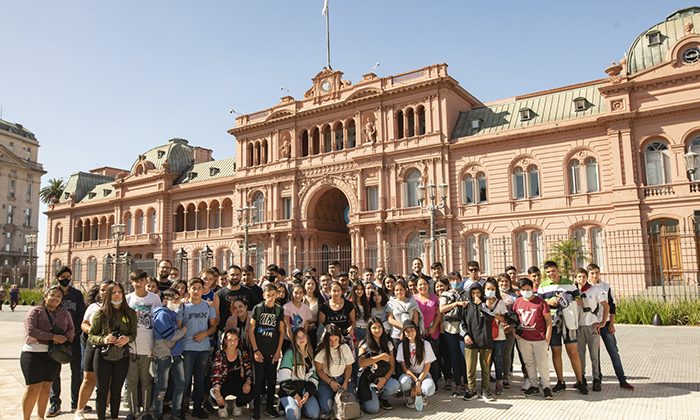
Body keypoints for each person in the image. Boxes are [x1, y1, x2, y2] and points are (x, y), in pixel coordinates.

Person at [21, 285, 75, 420]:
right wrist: (53, 337)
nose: (55, 298)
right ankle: (26, 418)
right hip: (34, 353)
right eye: (52, 295)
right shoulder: (35, 311)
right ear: (45, 297)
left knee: (46, 387)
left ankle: (40, 417)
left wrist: (65, 339)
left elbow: (71, 329)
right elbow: (31, 331)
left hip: (54, 355)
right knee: (33, 388)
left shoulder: (64, 312)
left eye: (59, 296)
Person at [88, 282, 137, 420]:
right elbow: (91, 336)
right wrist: (104, 340)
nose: (117, 295)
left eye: (119, 292)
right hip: (103, 356)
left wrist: (127, 339)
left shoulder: (130, 313)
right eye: (114, 292)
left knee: (116, 390)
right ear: (109, 295)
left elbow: (134, 334)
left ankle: (115, 417)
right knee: (102, 390)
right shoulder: (101, 313)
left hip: (122, 356)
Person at [537, 260, 587, 394]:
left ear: (558, 270)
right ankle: (560, 381)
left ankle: (580, 381)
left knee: (573, 352)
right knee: (556, 352)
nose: (550, 274)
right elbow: (539, 304)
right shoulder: (543, 286)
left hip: (568, 322)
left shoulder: (569, 284)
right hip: (553, 323)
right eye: (548, 272)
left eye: (553, 271)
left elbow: (579, 299)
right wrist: (549, 302)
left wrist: (567, 300)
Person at [587, 263, 634, 390]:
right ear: (588, 274)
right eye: (592, 273)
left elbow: (612, 306)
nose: (595, 275)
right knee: (595, 354)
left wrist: (611, 323)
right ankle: (597, 379)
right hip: (592, 325)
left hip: (606, 324)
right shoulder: (585, 287)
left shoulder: (606, 287)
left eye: (597, 272)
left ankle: (622, 379)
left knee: (613, 351)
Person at [48, 266, 86, 417]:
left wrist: (72, 334)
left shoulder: (76, 295)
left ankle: (75, 403)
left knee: (76, 371)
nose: (66, 279)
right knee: (54, 371)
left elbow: (81, 315)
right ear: (57, 278)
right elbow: (46, 313)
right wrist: (55, 335)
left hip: (74, 338)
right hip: (56, 339)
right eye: (63, 276)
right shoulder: (53, 293)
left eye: (68, 276)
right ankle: (54, 403)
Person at [125, 270, 162, 420]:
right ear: (131, 282)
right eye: (135, 281)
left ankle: (146, 411)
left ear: (146, 281)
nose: (139, 283)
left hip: (148, 346)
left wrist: (156, 345)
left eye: (141, 280)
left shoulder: (154, 298)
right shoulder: (128, 299)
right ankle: (133, 411)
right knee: (132, 380)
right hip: (131, 346)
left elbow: (159, 322)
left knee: (146, 380)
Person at [74, 281, 114, 419]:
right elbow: (84, 324)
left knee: (107, 379)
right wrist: (92, 330)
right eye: (102, 290)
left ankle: (106, 407)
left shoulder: (119, 307)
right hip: (92, 345)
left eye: (108, 290)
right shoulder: (93, 307)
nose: (105, 292)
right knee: (88, 379)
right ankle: (79, 410)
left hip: (111, 346)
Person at [180, 277, 218, 418]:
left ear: (203, 290)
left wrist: (205, 334)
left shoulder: (208, 306)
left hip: (203, 348)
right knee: (186, 380)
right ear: (188, 290)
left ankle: (197, 408)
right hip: (187, 348)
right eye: (193, 288)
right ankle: (183, 408)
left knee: (200, 380)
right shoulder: (183, 306)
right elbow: (177, 325)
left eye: (198, 288)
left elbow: (214, 326)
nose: (196, 291)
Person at [512, 278, 554, 399]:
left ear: (532, 289)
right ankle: (534, 385)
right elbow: (514, 319)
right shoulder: (517, 302)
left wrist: (547, 338)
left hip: (540, 339)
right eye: (523, 289)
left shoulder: (540, 302)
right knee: (529, 363)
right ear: (520, 291)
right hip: (524, 339)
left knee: (542, 364)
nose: (526, 291)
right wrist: (515, 333)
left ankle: (546, 387)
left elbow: (548, 321)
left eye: (528, 289)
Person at [249, 284, 285, 419]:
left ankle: (270, 407)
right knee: (258, 382)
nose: (270, 298)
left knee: (271, 381)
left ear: (277, 295)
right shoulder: (258, 309)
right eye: (268, 295)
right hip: (259, 351)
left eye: (273, 295)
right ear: (264, 295)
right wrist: (255, 350)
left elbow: (281, 332)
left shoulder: (278, 310)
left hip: (272, 351)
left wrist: (278, 351)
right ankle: (256, 410)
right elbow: (251, 331)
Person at [152, 288, 187, 419]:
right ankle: (158, 414)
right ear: (166, 301)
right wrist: (183, 331)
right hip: (164, 356)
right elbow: (169, 335)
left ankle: (175, 413)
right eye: (175, 299)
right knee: (161, 387)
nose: (178, 302)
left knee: (180, 384)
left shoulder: (171, 313)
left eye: (179, 299)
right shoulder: (162, 314)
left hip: (175, 354)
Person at [574, 268, 609, 392]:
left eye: (584, 276)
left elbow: (606, 306)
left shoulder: (595, 290)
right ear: (576, 278)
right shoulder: (573, 292)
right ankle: (581, 378)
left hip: (592, 326)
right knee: (580, 355)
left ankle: (596, 379)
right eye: (579, 277)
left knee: (594, 355)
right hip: (579, 327)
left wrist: (603, 322)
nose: (582, 279)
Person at [460, 282, 495, 402]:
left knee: (485, 367)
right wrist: (465, 335)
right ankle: (472, 390)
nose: (476, 295)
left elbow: (491, 317)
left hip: (485, 340)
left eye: (478, 293)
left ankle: (485, 390)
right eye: (473, 293)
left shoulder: (487, 304)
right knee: (470, 368)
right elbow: (462, 323)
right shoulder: (466, 306)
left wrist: (481, 305)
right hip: (471, 340)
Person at [357, 317, 399, 413]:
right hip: (367, 380)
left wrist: (384, 379)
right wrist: (380, 357)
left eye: (379, 327)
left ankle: (383, 398)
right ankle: (365, 399)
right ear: (369, 330)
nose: (377, 330)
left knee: (395, 385)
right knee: (373, 409)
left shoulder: (388, 344)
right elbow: (361, 363)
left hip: (382, 377)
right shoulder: (364, 344)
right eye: (374, 328)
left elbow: (392, 366)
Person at [278, 328, 321, 420]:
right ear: (294, 340)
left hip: (304, 391)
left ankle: (301, 408)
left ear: (307, 338)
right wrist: (295, 395)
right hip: (290, 392)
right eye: (298, 337)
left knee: (314, 414)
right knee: (293, 416)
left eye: (303, 336)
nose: (301, 339)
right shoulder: (289, 354)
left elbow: (314, 377)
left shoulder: (310, 355)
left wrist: (307, 393)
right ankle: (284, 404)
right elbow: (283, 379)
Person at [211, 329, 254, 418]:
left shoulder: (242, 353)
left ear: (238, 340)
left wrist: (248, 382)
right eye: (230, 340)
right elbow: (216, 374)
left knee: (250, 392)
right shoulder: (220, 354)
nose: (232, 343)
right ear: (225, 341)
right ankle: (223, 405)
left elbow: (249, 370)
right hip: (224, 384)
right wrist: (218, 394)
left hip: (238, 383)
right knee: (214, 395)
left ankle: (237, 404)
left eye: (235, 340)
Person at [314, 324, 355, 418]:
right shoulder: (322, 349)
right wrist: (330, 382)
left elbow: (349, 367)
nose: (333, 343)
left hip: (341, 379)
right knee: (327, 408)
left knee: (350, 404)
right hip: (326, 380)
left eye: (336, 340)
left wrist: (345, 382)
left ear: (340, 338)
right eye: (330, 340)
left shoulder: (344, 347)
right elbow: (319, 370)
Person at [396, 320, 436, 411]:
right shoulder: (401, 346)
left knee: (429, 388)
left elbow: (426, 368)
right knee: (404, 381)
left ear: (416, 330)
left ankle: (422, 395)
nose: (410, 333)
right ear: (404, 332)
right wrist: (416, 381)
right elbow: (405, 368)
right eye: (407, 331)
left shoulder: (426, 344)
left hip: (423, 374)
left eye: (412, 330)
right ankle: (409, 397)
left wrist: (419, 381)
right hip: (410, 375)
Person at [439, 271, 467, 396]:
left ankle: (467, 384)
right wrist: (456, 303)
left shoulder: (465, 293)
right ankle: (457, 385)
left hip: (463, 328)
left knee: (464, 357)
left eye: (457, 279)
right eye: (452, 280)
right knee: (454, 357)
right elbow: (442, 309)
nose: (455, 282)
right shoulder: (445, 294)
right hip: (450, 328)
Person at [217, 265, 260, 336]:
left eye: (237, 275)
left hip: (245, 333)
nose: (235, 277)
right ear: (227, 276)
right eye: (232, 275)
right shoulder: (219, 294)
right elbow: (217, 315)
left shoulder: (248, 291)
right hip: (225, 333)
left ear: (240, 276)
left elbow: (257, 308)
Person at [413, 277, 442, 382]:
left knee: (433, 359)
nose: (422, 286)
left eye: (424, 284)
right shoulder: (413, 299)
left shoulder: (434, 299)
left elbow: (439, 315)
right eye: (420, 284)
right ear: (416, 287)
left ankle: (434, 382)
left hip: (432, 333)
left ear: (428, 285)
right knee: (419, 359)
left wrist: (433, 327)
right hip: (418, 334)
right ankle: (419, 382)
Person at [483, 279, 508, 395]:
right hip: (486, 337)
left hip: (499, 336)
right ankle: (486, 383)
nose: (490, 291)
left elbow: (504, 318)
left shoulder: (500, 303)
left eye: (492, 289)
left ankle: (499, 382)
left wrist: (493, 314)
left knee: (498, 360)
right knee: (486, 361)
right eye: (488, 289)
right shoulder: (481, 302)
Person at [318, 281, 356, 348]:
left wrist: (351, 328)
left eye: (338, 290)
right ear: (329, 291)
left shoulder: (349, 305)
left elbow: (353, 322)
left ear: (341, 291)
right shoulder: (324, 306)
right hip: (330, 339)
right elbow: (321, 324)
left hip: (345, 336)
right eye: (334, 290)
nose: (337, 293)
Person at [497, 274, 518, 390]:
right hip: (497, 329)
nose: (504, 284)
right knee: (497, 354)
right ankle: (497, 376)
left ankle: (505, 376)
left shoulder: (514, 296)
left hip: (509, 329)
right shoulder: (494, 295)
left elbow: (516, 314)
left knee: (507, 354)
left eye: (506, 282)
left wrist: (511, 326)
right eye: (502, 282)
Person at [385, 280, 421, 349]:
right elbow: (390, 319)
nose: (399, 292)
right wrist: (404, 328)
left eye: (401, 289)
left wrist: (409, 329)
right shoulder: (391, 303)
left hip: (411, 334)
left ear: (405, 290)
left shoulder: (412, 302)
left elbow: (415, 318)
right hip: (396, 335)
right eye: (396, 290)